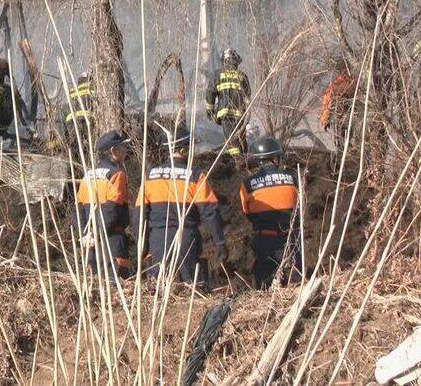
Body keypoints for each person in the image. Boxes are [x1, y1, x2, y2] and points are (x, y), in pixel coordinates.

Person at [133, 122, 227, 288]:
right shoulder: (195, 176)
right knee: (191, 288)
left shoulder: (150, 175)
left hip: (158, 242)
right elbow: (210, 213)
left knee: (158, 290)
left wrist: (143, 245)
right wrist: (220, 243)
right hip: (186, 239)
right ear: (183, 150)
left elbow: (139, 214)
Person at [239, 137, 303, 288]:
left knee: (264, 284)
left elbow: (247, 213)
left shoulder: (247, 185)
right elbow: (299, 206)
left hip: (264, 240)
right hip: (291, 238)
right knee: (295, 283)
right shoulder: (293, 178)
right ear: (275, 159)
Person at [75, 130, 133, 278]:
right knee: (117, 286)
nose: (126, 151)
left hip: (91, 245)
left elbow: (78, 209)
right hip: (112, 242)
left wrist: (86, 234)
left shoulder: (88, 175)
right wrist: (96, 233)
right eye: (122, 147)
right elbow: (112, 209)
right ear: (114, 151)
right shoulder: (116, 174)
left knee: (94, 284)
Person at [205, 48, 251, 161]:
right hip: (240, 116)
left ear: (224, 61)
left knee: (231, 142)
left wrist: (209, 109)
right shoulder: (242, 76)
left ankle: (236, 162)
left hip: (226, 114)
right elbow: (248, 96)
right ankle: (246, 158)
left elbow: (211, 92)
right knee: (241, 138)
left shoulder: (218, 74)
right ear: (235, 61)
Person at [320, 58, 356, 151]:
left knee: (340, 142)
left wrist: (325, 120)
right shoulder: (354, 83)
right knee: (346, 138)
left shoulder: (335, 85)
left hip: (341, 118)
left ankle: (342, 150)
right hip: (349, 117)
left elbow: (327, 104)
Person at [61, 72, 96, 155]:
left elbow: (64, 109)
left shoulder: (73, 93)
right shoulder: (92, 91)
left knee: (75, 145)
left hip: (72, 120)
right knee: (91, 145)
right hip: (87, 120)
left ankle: (75, 164)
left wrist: (66, 133)